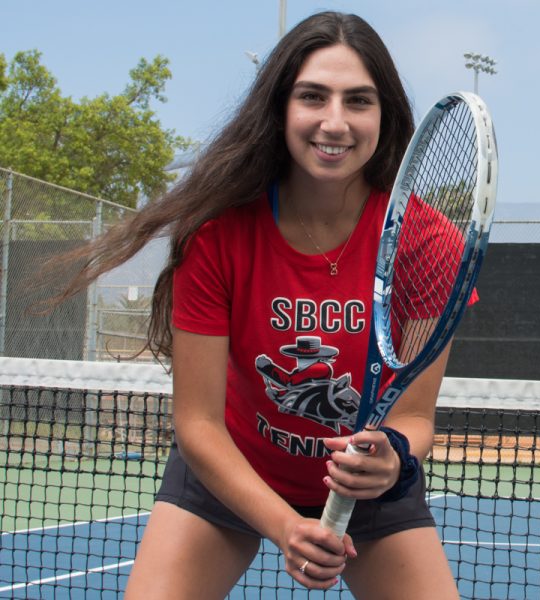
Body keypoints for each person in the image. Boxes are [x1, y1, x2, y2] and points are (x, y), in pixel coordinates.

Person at [55, 11, 460, 599]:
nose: (335, 122)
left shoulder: (428, 245)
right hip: (233, 474)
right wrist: (284, 526)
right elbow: (197, 423)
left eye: (359, 101)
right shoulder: (216, 235)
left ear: (385, 115)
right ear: (281, 109)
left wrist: (393, 457)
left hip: (366, 492)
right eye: (313, 97)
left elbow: (415, 419)